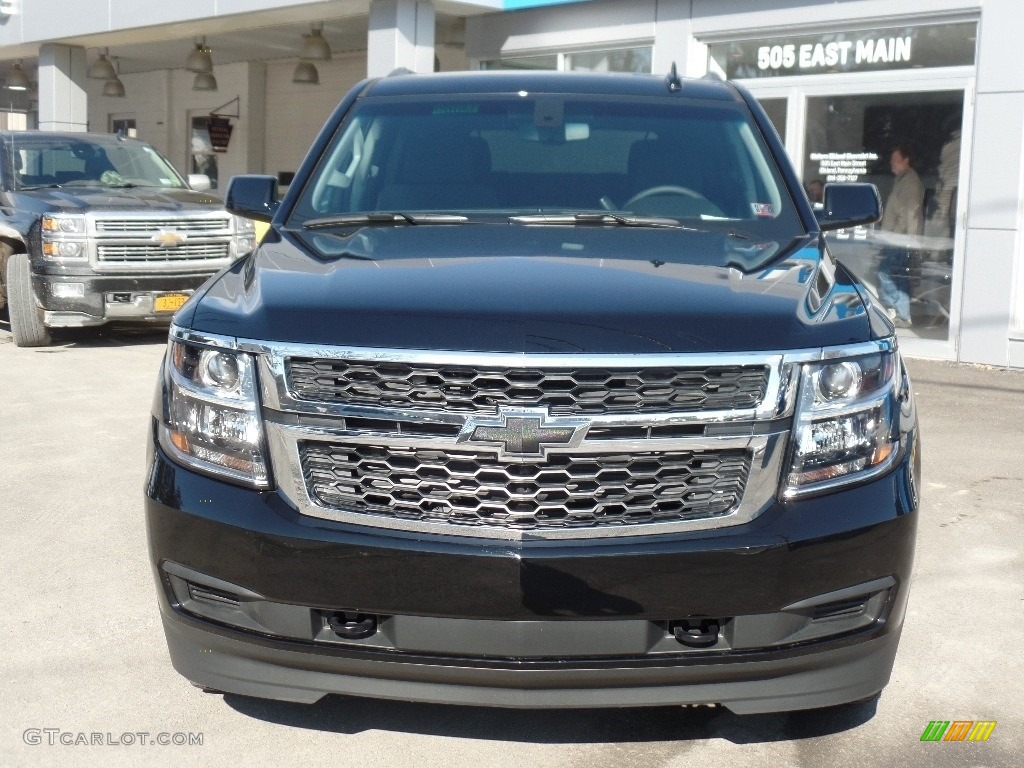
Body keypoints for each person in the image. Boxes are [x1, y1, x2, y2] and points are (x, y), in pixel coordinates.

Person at [877, 143, 924, 328]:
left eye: (895, 159)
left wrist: (895, 237)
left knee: (886, 273)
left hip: (899, 239)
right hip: (900, 238)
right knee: (898, 277)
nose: (892, 163)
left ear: (906, 160)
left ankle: (893, 309)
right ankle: (903, 315)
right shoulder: (903, 181)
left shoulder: (910, 183)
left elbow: (908, 215)